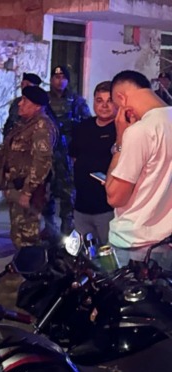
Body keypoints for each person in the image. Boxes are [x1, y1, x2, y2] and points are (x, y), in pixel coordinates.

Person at [106, 70, 172, 267]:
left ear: (121, 99)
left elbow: (115, 197)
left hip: (135, 244)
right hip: (166, 241)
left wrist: (120, 140)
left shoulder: (140, 131)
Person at [0, 86, 56, 248]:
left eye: (25, 101)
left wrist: (28, 191)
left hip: (29, 189)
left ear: (37, 106)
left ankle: (31, 263)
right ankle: (22, 261)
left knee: (28, 235)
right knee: (18, 233)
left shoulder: (41, 126)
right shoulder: (24, 124)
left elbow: (41, 162)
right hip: (17, 185)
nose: (20, 104)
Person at [46, 65, 91, 237]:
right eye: (56, 77)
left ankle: (67, 228)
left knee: (68, 192)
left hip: (68, 153)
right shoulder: (45, 100)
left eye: (63, 77)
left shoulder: (76, 101)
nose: (60, 81)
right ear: (51, 80)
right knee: (47, 191)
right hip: (47, 152)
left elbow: (86, 126)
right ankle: (49, 228)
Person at [68, 81, 116, 245]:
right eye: (99, 100)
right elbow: (74, 156)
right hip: (82, 205)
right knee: (86, 253)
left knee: (108, 254)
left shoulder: (122, 129)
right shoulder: (83, 127)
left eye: (109, 101)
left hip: (107, 208)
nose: (104, 106)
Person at [4, 73, 42, 137]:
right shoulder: (16, 102)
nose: (23, 87)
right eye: (22, 84)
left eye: (27, 85)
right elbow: (10, 121)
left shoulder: (40, 103)